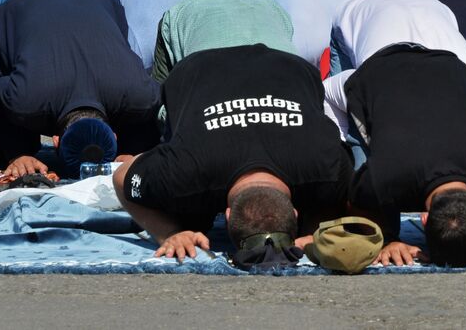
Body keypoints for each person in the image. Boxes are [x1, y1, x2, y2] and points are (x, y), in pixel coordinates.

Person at [112, 44, 353, 262]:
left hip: (287, 67)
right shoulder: (184, 172)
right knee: (192, 220)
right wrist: (171, 234)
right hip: (200, 70)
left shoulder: (328, 165)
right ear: (294, 211)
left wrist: (315, 232)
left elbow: (121, 176)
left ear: (227, 216)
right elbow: (122, 178)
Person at [341, 45, 466, 266]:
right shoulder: (386, 176)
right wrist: (387, 240)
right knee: (372, 199)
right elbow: (354, 201)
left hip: (452, 66)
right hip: (374, 69)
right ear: (424, 220)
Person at [0, 0, 160, 179]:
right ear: (56, 141)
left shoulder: (140, 95)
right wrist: (16, 153)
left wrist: (132, 151)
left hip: (99, 4)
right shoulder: (26, 99)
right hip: (17, 9)